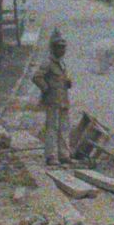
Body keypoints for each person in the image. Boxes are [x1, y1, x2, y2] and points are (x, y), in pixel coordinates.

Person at [31, 33, 73, 166]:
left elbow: (63, 79)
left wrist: (68, 82)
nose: (63, 50)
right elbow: (37, 77)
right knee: (52, 129)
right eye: (60, 48)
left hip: (63, 101)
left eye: (64, 48)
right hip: (52, 101)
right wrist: (46, 88)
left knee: (64, 128)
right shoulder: (48, 63)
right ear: (54, 49)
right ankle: (51, 156)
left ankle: (64, 155)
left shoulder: (62, 64)